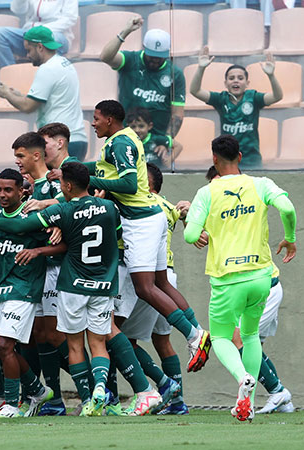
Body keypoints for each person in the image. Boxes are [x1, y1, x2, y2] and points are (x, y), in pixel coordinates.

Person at [0, 162, 164, 416]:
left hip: (73, 284)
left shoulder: (64, 210)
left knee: (75, 345)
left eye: (61, 184)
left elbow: (19, 227)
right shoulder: (109, 207)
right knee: (99, 341)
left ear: (67, 185)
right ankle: (101, 387)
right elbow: (116, 233)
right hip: (104, 284)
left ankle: (89, 400)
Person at [85, 100, 211, 374]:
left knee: (145, 288)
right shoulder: (120, 141)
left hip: (140, 221)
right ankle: (198, 332)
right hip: (147, 219)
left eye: (96, 118)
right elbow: (99, 168)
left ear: (109, 119)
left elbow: (129, 184)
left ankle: (193, 336)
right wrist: (76, 169)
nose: (92, 123)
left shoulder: (120, 142)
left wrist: (88, 182)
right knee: (161, 282)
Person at [184, 135, 297, 421]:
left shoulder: (207, 192)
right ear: (241, 156)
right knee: (248, 335)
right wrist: (290, 238)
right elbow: (287, 208)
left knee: (221, 337)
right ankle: (250, 395)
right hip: (261, 278)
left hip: (227, 280)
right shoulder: (260, 184)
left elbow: (189, 235)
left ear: (214, 159)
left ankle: (242, 378)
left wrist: (199, 228)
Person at [204, 166, 295, 415]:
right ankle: (275, 399)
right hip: (253, 287)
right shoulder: (218, 203)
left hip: (263, 285)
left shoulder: (249, 194)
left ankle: (276, 392)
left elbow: (285, 208)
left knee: (237, 339)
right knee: (250, 344)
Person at [0, 169, 61, 418]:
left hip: (24, 289)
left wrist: (48, 241)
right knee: (2, 350)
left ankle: (11, 404)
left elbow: (59, 241)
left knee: (5, 345)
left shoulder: (33, 215)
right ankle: (37, 391)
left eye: (8, 189)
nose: (1, 194)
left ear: (22, 191)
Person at [13, 132, 80, 416]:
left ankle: (91, 389)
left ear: (36, 155)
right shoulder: (33, 187)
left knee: (54, 335)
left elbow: (69, 204)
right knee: (40, 335)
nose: (17, 161)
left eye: (20, 156)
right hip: (37, 270)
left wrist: (51, 215)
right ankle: (53, 399)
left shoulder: (53, 185)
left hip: (56, 268)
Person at [118, 163, 190, 416]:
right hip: (167, 278)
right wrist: (187, 216)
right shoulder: (169, 207)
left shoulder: (142, 206)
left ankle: (162, 385)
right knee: (163, 341)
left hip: (148, 279)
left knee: (119, 339)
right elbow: (182, 215)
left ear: (149, 185)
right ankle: (177, 401)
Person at [0, 26, 89, 161]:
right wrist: (18, 95)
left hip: (60, 144)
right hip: (75, 140)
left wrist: (6, 94)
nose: (27, 55)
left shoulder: (47, 69)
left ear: (39, 47)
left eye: (29, 50)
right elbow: (45, 100)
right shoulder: (64, 63)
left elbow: (28, 107)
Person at [190, 48, 283, 170]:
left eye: (240, 78)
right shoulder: (220, 99)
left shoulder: (254, 97)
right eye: (231, 78)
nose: (236, 81)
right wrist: (201, 68)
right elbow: (195, 91)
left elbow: (277, 96)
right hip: (226, 159)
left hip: (251, 159)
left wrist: (271, 75)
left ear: (247, 83)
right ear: (226, 83)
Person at [100, 19, 185, 140]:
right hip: (126, 137)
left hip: (156, 142)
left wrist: (166, 142)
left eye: (160, 57)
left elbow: (177, 114)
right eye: (152, 56)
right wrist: (124, 33)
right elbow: (105, 57)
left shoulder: (175, 74)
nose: (155, 60)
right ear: (144, 48)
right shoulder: (130, 60)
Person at [0, 0, 78, 67]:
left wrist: (40, 31)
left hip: (56, 35)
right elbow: (18, 10)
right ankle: (11, 72)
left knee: (52, 40)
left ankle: (46, 78)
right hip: (29, 36)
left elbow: (70, 19)